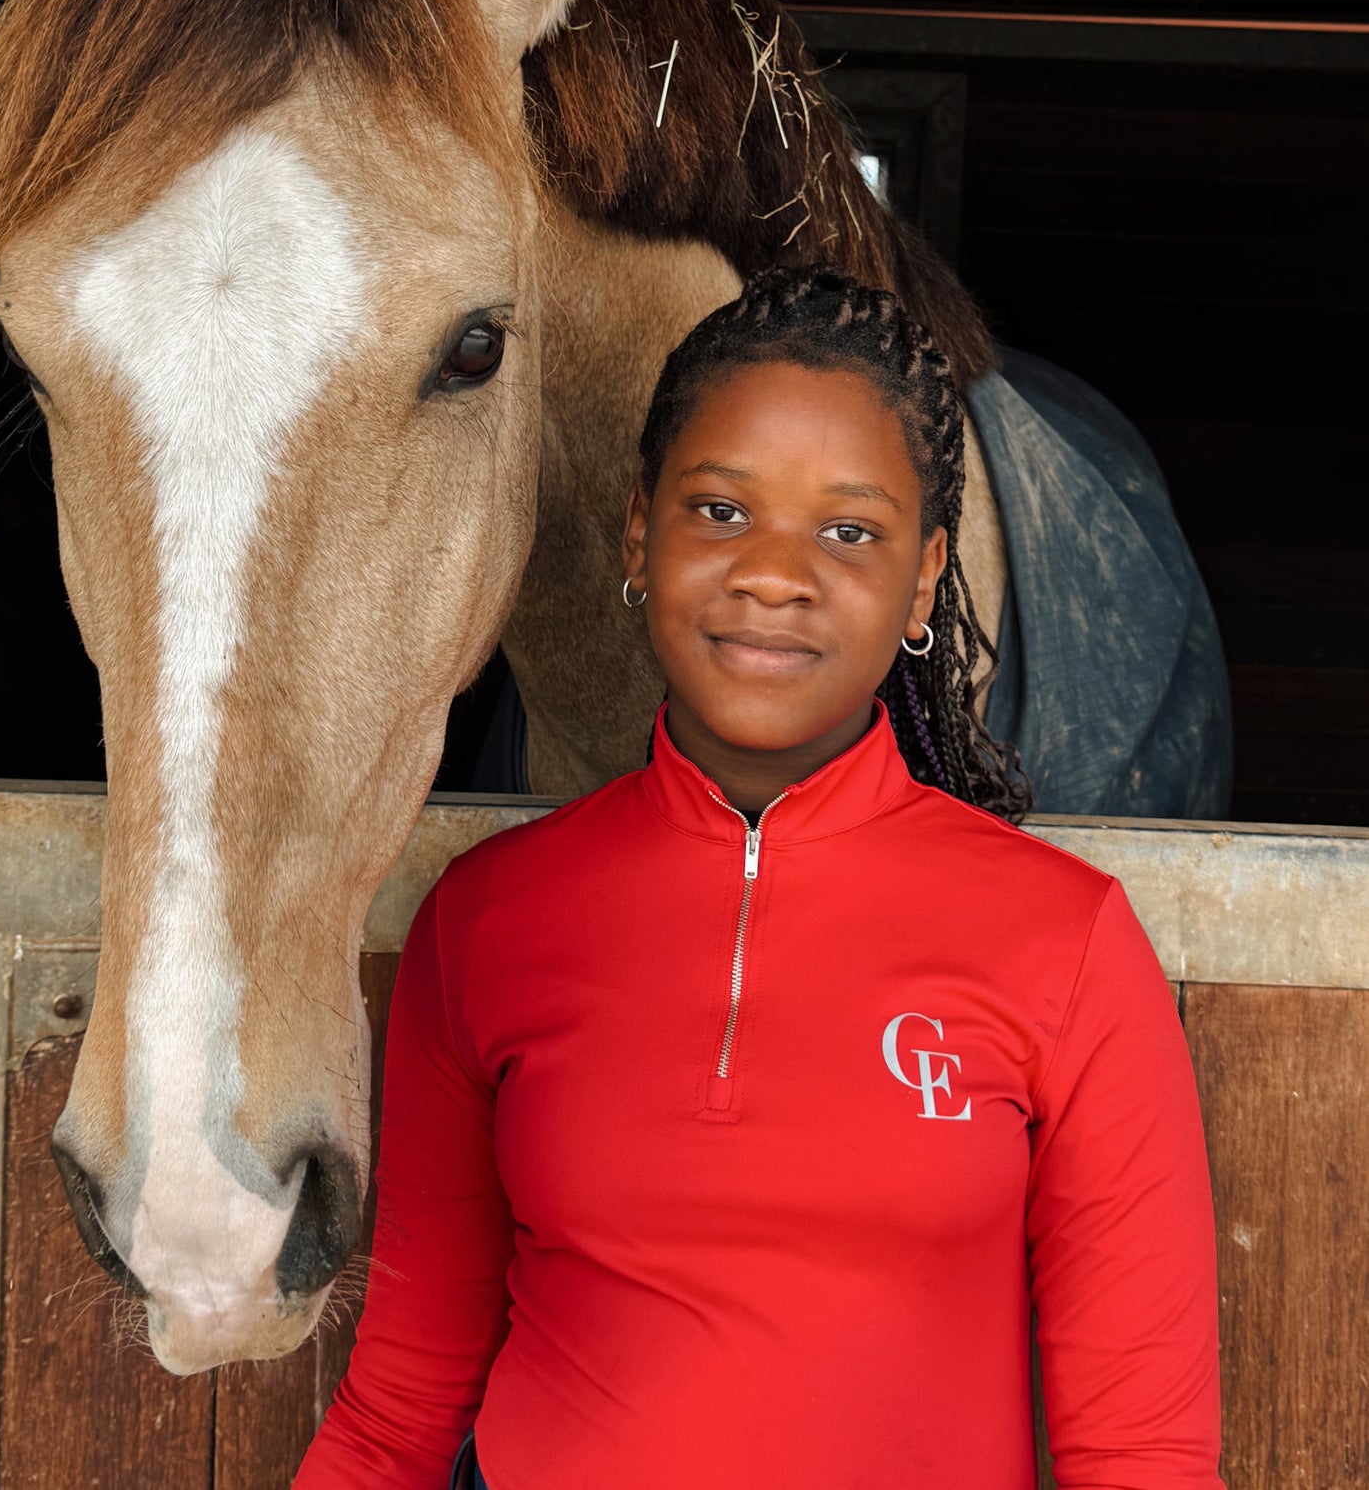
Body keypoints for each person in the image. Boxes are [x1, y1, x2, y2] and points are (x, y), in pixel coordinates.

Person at [296, 268, 1223, 1490]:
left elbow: (1140, 1457)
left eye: (847, 530)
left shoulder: (1064, 940)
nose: (772, 573)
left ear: (922, 580)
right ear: (639, 532)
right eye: (720, 511)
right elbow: (401, 1403)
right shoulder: (489, 920)